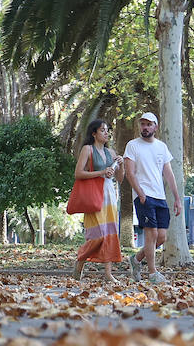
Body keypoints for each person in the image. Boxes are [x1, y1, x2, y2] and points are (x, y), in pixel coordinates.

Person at [122, 111, 182, 282]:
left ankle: (136, 260)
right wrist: (140, 193)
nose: (145, 127)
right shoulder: (133, 145)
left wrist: (177, 198)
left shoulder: (161, 147)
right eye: (143, 124)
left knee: (161, 237)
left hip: (160, 197)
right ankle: (153, 273)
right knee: (151, 234)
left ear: (155, 127)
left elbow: (168, 173)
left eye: (149, 124)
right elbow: (129, 173)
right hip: (143, 196)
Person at [72, 118, 123, 279]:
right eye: (102, 130)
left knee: (110, 233)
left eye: (107, 130)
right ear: (94, 133)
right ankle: (80, 261)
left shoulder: (111, 153)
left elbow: (120, 179)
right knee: (97, 235)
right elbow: (78, 173)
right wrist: (101, 172)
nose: (106, 133)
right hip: (94, 195)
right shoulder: (88, 149)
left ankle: (108, 273)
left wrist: (121, 164)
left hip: (109, 194)